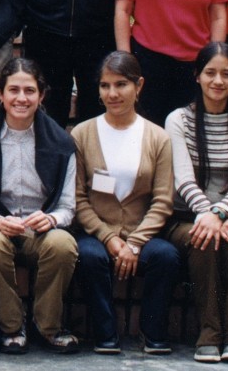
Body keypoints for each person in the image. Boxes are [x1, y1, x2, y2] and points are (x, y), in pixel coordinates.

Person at [71, 51, 178, 355]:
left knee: (167, 256)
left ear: (139, 85)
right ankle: (106, 334)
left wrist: (134, 243)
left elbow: (162, 200)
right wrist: (108, 238)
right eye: (105, 86)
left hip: (140, 234)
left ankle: (153, 332)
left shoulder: (158, 137)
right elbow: (78, 198)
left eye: (121, 84)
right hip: (96, 233)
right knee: (90, 257)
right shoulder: (82, 133)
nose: (112, 93)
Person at [0, 58, 79, 354]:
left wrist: (52, 219)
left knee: (63, 244)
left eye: (29, 91)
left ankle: (48, 326)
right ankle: (11, 325)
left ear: (41, 96)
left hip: (40, 231)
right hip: (1, 227)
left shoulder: (61, 142)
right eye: (13, 90)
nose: (21, 98)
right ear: (0, 94)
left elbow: (68, 207)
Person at [163, 42, 228, 363]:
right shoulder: (179, 119)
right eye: (210, 73)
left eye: (226, 74)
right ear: (197, 76)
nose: (217, 80)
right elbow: (183, 179)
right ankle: (208, 334)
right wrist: (207, 215)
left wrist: (219, 213)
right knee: (203, 239)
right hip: (186, 217)